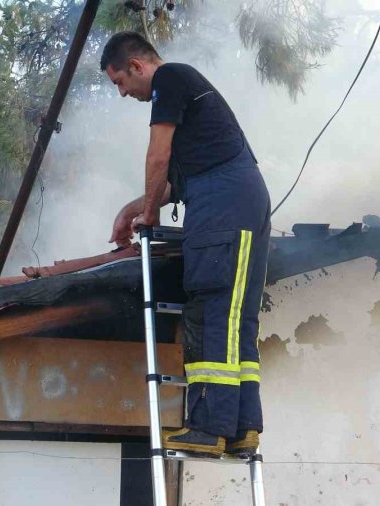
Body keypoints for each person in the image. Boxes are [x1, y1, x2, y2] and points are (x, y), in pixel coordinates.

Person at [101, 32, 271, 457]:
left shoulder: (170, 79)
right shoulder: (193, 111)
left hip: (224, 209)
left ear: (138, 67)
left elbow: (157, 158)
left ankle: (208, 427)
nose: (123, 93)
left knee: (211, 308)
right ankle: (241, 428)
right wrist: (132, 208)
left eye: (119, 82)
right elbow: (174, 182)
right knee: (235, 317)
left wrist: (150, 215)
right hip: (234, 203)